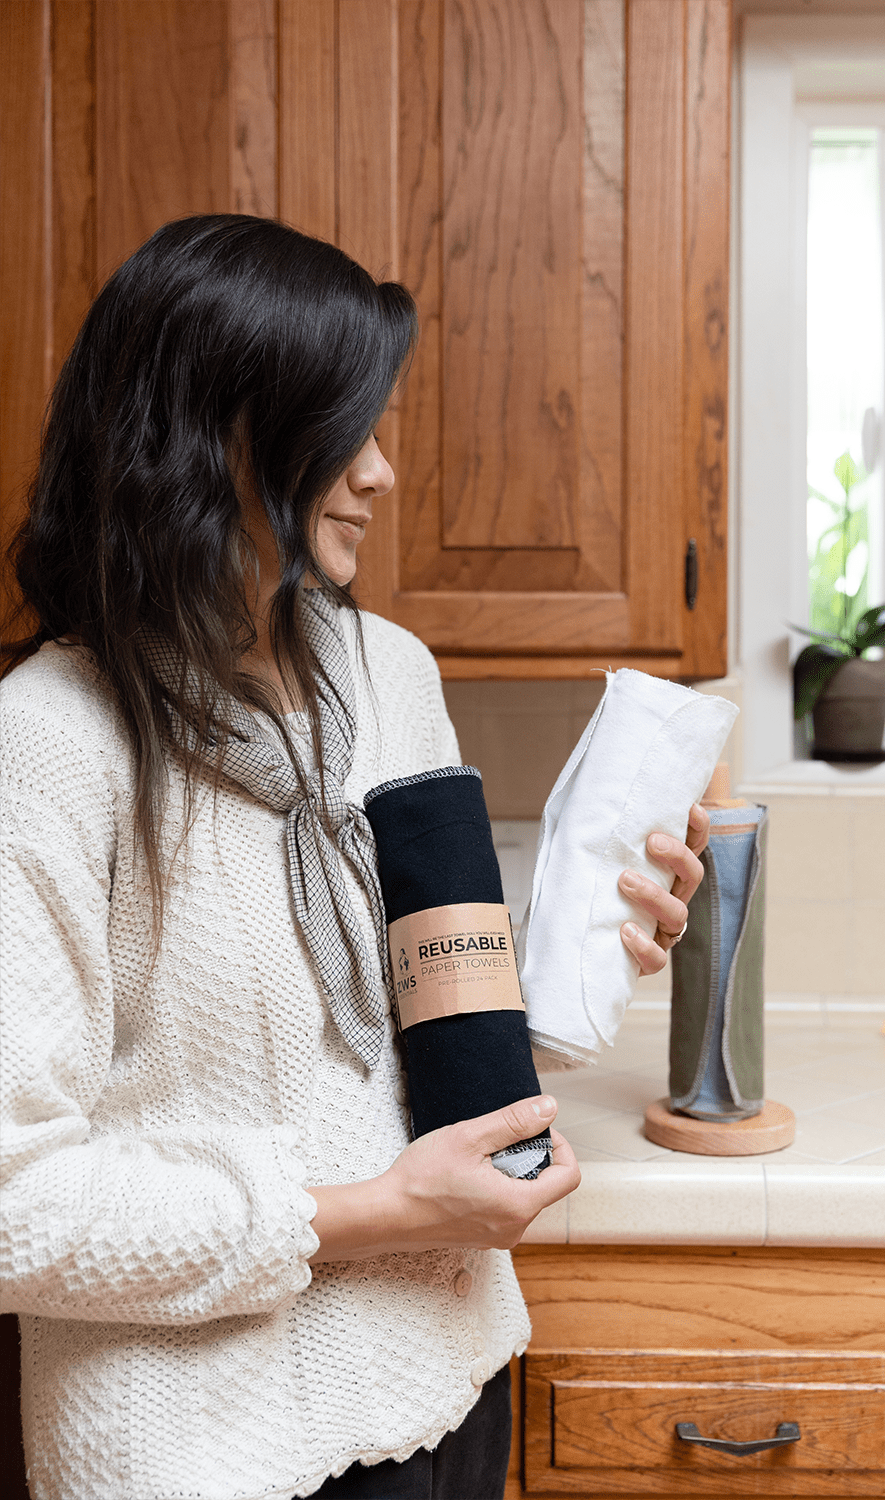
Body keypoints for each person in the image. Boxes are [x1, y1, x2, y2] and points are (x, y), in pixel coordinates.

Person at [0, 215, 708, 1500]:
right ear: (211, 437)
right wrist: (380, 1215)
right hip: (196, 1454)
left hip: (450, 1386)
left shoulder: (383, 672)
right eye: (347, 432)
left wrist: (593, 947)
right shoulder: (54, 742)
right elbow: (13, 1204)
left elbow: (420, 1046)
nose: (381, 472)